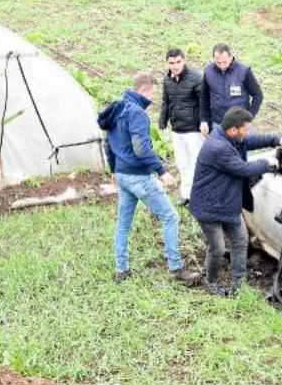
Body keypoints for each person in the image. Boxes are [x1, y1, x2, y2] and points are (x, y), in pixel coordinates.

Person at [98, 72, 200, 285]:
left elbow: (108, 143)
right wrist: (162, 172)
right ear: (145, 89)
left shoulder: (117, 108)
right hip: (138, 177)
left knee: (123, 224)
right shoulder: (137, 113)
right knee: (170, 217)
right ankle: (176, 268)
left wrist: (114, 170)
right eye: (153, 91)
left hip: (123, 176)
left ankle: (121, 269)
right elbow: (141, 148)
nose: (153, 97)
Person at [189, 107, 282, 296]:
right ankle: (210, 282)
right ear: (234, 130)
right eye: (245, 129)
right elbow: (243, 169)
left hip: (228, 204)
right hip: (208, 207)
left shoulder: (229, 136)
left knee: (240, 241)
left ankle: (238, 285)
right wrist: (268, 164)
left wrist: (276, 140)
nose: (248, 132)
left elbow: (250, 141)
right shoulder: (218, 147)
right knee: (217, 248)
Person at [158, 48, 204, 205]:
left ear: (184, 60)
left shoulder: (196, 78)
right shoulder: (167, 80)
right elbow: (166, 102)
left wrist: (204, 123)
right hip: (177, 129)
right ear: (167, 63)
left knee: (196, 163)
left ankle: (198, 196)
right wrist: (162, 121)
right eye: (171, 63)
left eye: (178, 62)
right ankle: (186, 195)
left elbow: (204, 103)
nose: (175, 66)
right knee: (182, 163)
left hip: (193, 130)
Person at [200, 44, 264, 135]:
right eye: (218, 62)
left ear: (231, 57)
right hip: (218, 124)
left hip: (239, 125)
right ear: (213, 59)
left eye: (224, 62)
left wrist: (249, 117)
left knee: (241, 148)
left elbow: (258, 95)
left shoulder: (244, 71)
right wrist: (204, 120)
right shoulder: (208, 72)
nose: (222, 65)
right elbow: (204, 98)